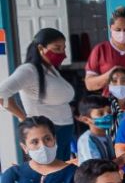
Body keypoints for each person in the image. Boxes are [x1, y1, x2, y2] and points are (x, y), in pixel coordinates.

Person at [0, 29, 77, 159]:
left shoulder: (50, 69)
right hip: (46, 133)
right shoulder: (29, 70)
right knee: (51, 170)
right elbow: (2, 93)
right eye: (57, 48)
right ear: (41, 48)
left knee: (63, 168)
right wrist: (23, 117)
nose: (62, 53)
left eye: (63, 48)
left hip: (65, 130)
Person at [73, 95, 116, 163]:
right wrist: (120, 160)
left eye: (109, 112)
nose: (107, 115)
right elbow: (95, 166)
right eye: (100, 114)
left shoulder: (108, 136)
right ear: (86, 119)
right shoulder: (86, 140)